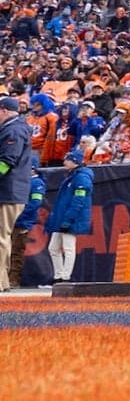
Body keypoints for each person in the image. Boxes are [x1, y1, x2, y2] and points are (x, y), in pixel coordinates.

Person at [44, 150, 94, 284]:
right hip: (62, 218)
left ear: (75, 162)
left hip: (70, 219)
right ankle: (58, 276)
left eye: (67, 159)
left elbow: (78, 202)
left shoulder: (82, 178)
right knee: (53, 248)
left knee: (68, 247)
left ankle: (65, 277)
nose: (64, 162)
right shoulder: (72, 176)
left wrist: (68, 220)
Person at [0, 96, 32, 290]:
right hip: (9, 190)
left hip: (8, 191)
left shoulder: (14, 130)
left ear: (3, 110)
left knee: (1, 236)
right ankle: (2, 280)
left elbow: (7, 161)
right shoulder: (14, 128)